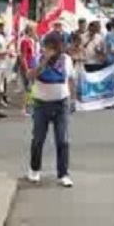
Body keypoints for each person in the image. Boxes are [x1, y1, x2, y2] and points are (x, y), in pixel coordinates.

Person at [26, 32, 76, 187]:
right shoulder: (38, 58)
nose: (52, 49)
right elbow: (30, 76)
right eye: (48, 46)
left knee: (62, 140)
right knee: (38, 139)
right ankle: (34, 169)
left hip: (61, 103)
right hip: (41, 104)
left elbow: (71, 79)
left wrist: (73, 99)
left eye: (55, 47)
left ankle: (63, 174)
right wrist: (44, 61)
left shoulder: (66, 60)